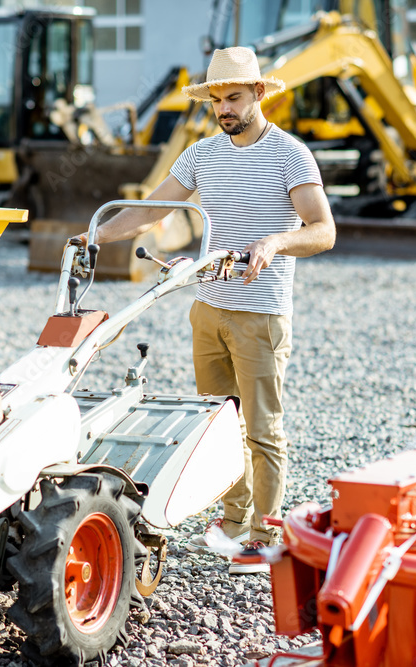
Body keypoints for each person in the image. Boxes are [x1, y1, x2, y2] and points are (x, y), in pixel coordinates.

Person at [80, 47, 335, 574]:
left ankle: (265, 534)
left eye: (234, 97)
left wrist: (274, 243)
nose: (224, 108)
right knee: (220, 421)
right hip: (208, 307)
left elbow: (323, 231)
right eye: (216, 99)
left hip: (260, 311)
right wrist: (98, 234)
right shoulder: (200, 155)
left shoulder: (291, 154)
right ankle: (232, 518)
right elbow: (152, 211)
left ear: (260, 94)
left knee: (263, 427)